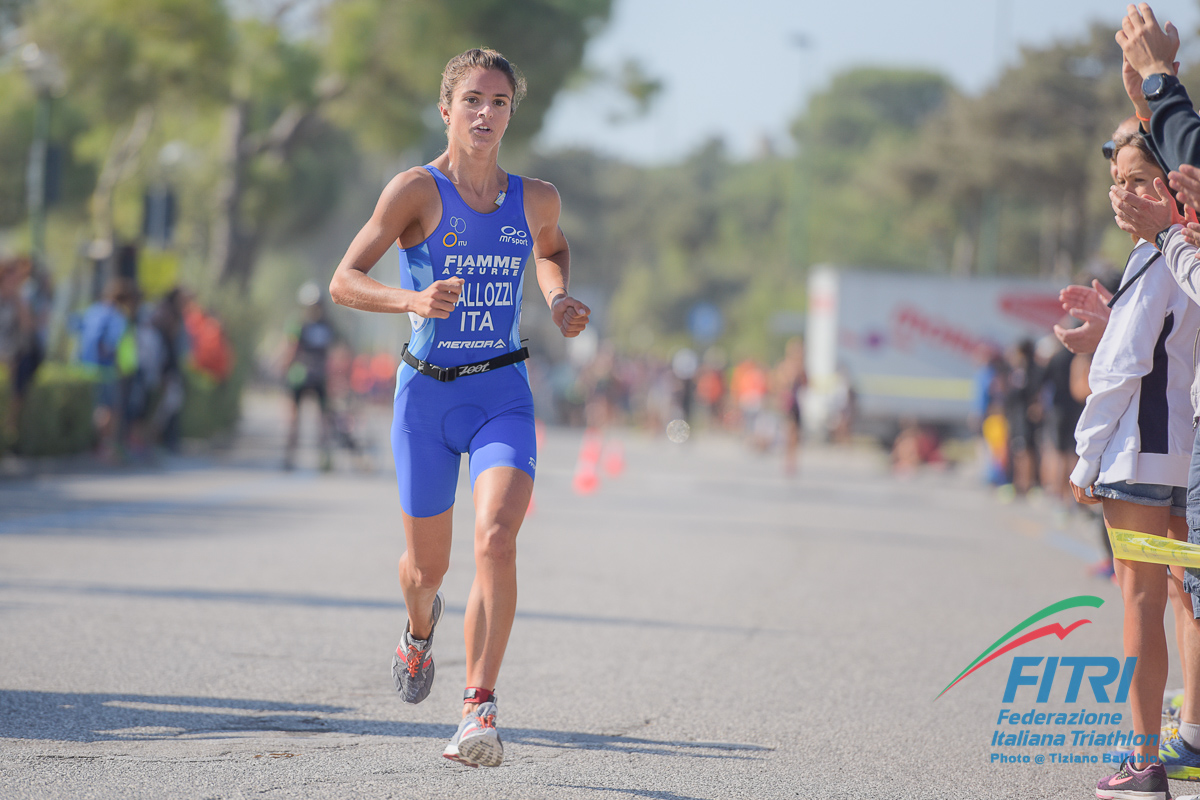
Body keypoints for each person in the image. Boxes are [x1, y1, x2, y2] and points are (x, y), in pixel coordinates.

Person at [328, 48, 590, 768]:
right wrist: (410, 299)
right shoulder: (415, 190)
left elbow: (552, 248)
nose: (485, 114)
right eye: (472, 100)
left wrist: (557, 296)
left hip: (502, 390)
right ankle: (419, 632)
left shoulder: (534, 197)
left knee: (498, 539)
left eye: (499, 102)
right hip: (426, 396)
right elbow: (344, 280)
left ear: (512, 113)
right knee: (427, 571)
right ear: (446, 110)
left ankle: (479, 705)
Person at [1073, 130, 1200, 798]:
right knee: (1185, 598)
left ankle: (1143, 756)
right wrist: (1108, 316)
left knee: (1141, 602)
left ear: (1175, 184)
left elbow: (1122, 370)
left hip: (1140, 457)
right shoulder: (1185, 254)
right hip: (1186, 453)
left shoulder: (1158, 255)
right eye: (1117, 181)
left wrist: (1083, 458)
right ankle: (1189, 741)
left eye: (1139, 179)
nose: (1125, 194)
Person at [283, 284, 337, 471]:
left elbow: (291, 349)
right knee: (322, 419)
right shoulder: (328, 326)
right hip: (319, 375)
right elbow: (335, 352)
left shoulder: (299, 324)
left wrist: (283, 369)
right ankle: (325, 459)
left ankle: (289, 458)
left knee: (294, 418)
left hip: (299, 375)